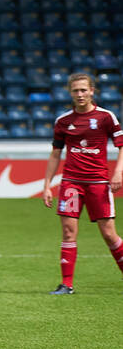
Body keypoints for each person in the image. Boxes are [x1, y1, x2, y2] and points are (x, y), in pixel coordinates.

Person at [43, 71, 123, 294]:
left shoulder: (106, 117)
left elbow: (121, 146)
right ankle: (66, 284)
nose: (80, 94)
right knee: (68, 232)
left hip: (98, 182)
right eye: (75, 90)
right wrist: (47, 185)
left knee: (108, 234)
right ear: (70, 92)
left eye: (83, 90)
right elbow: (55, 154)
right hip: (71, 183)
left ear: (92, 91)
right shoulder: (63, 121)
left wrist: (118, 172)